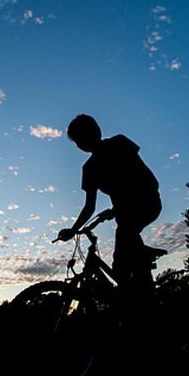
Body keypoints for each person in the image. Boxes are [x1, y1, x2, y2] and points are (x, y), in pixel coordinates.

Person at [58, 114, 162, 300]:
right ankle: (138, 295)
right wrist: (73, 230)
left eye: (82, 136)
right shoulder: (88, 169)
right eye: (77, 141)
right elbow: (89, 207)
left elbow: (145, 177)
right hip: (125, 214)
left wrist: (119, 207)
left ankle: (142, 299)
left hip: (147, 202)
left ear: (96, 131)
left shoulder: (119, 143)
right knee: (122, 259)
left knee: (125, 240)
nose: (81, 143)